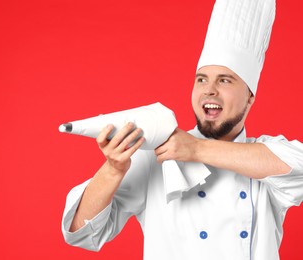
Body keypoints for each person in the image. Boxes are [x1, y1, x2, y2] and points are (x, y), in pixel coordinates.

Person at [61, 0, 303, 259]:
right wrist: (112, 169)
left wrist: (196, 149)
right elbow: (81, 232)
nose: (210, 89)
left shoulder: (265, 156)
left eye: (225, 80)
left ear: (250, 96)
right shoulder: (158, 157)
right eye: (202, 80)